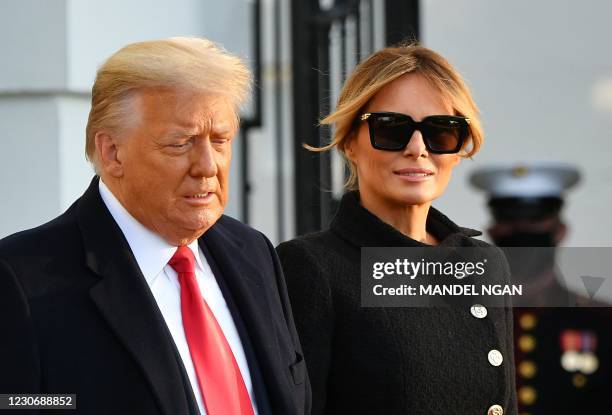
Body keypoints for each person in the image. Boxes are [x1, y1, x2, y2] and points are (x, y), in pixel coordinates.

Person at [0, 37, 309, 415]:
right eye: (181, 143)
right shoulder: (20, 279)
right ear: (112, 152)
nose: (208, 166)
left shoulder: (254, 253)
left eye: (220, 140)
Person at [277, 43, 517, 415]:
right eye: (391, 129)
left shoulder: (485, 263)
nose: (418, 148)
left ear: (458, 148)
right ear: (350, 142)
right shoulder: (310, 267)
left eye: (441, 131)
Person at [471, 162, 612, 414]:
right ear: (493, 231)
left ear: (560, 231)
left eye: (535, 219)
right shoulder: (462, 320)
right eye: (511, 219)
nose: (522, 230)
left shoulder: (602, 321)